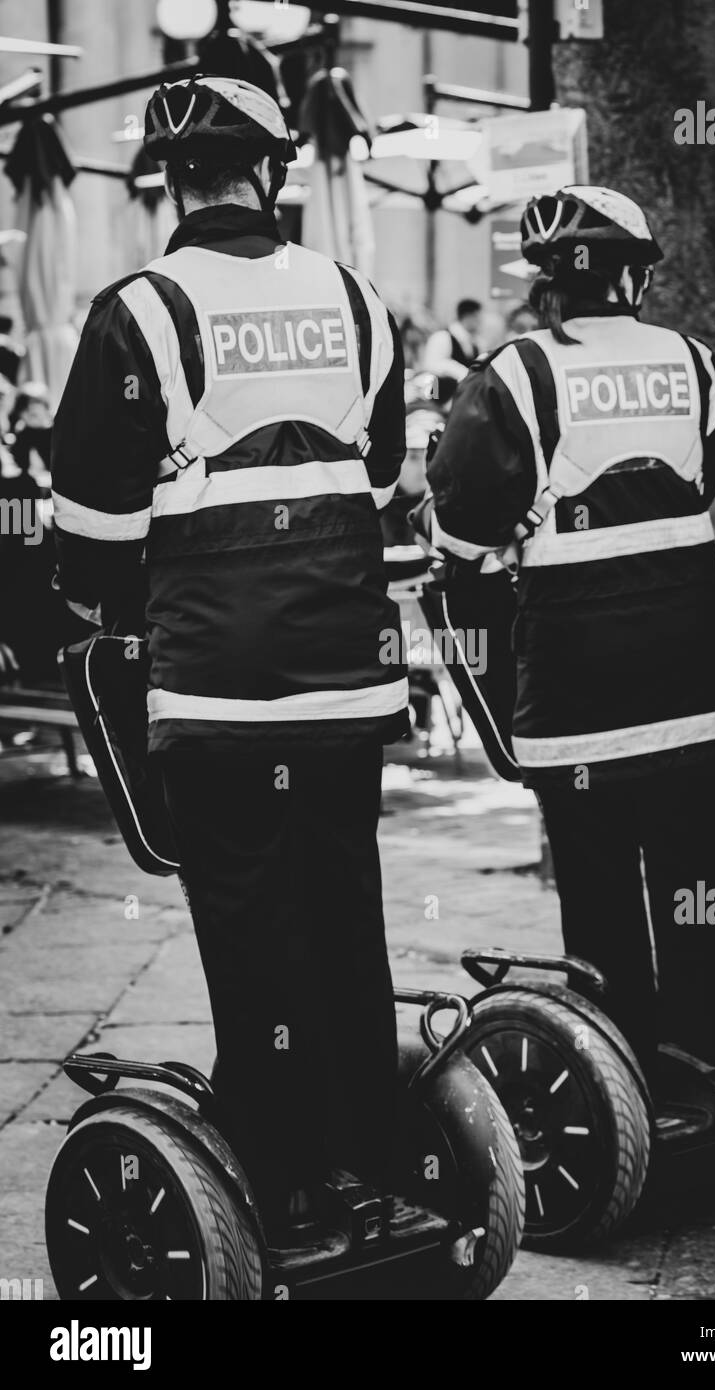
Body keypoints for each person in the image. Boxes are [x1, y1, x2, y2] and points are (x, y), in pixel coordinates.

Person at [51, 75, 409, 1250]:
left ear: (170, 181)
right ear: (274, 169)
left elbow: (93, 525)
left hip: (217, 689)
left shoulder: (138, 310)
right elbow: (385, 469)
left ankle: (285, 1180)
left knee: (252, 927)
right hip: (349, 680)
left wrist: (113, 600)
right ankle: (370, 1158)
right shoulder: (357, 300)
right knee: (346, 913)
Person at [415, 186, 715, 1081]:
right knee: (693, 878)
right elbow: (702, 482)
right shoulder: (696, 363)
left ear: (545, 283)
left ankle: (624, 1068)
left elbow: (464, 524)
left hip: (577, 684)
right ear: (634, 275)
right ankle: (709, 1051)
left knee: (597, 887)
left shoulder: (516, 374)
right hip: (688, 676)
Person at [423, 297, 483, 390]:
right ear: (468, 316)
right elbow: (432, 367)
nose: (480, 322)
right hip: (440, 397)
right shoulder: (442, 337)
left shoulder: (473, 343)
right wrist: (464, 373)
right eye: (477, 317)